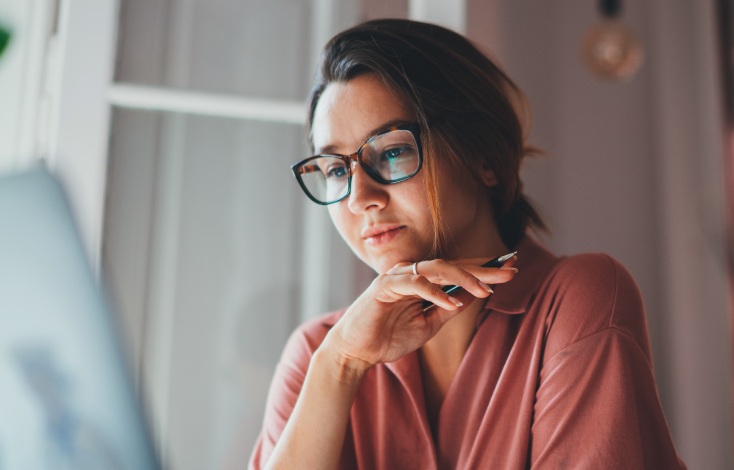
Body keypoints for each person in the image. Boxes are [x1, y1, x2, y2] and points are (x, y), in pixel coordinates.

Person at [250, 19, 686, 470]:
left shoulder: (578, 300)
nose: (361, 199)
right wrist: (338, 366)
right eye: (337, 171)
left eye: (393, 150)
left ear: (483, 157)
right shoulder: (320, 354)